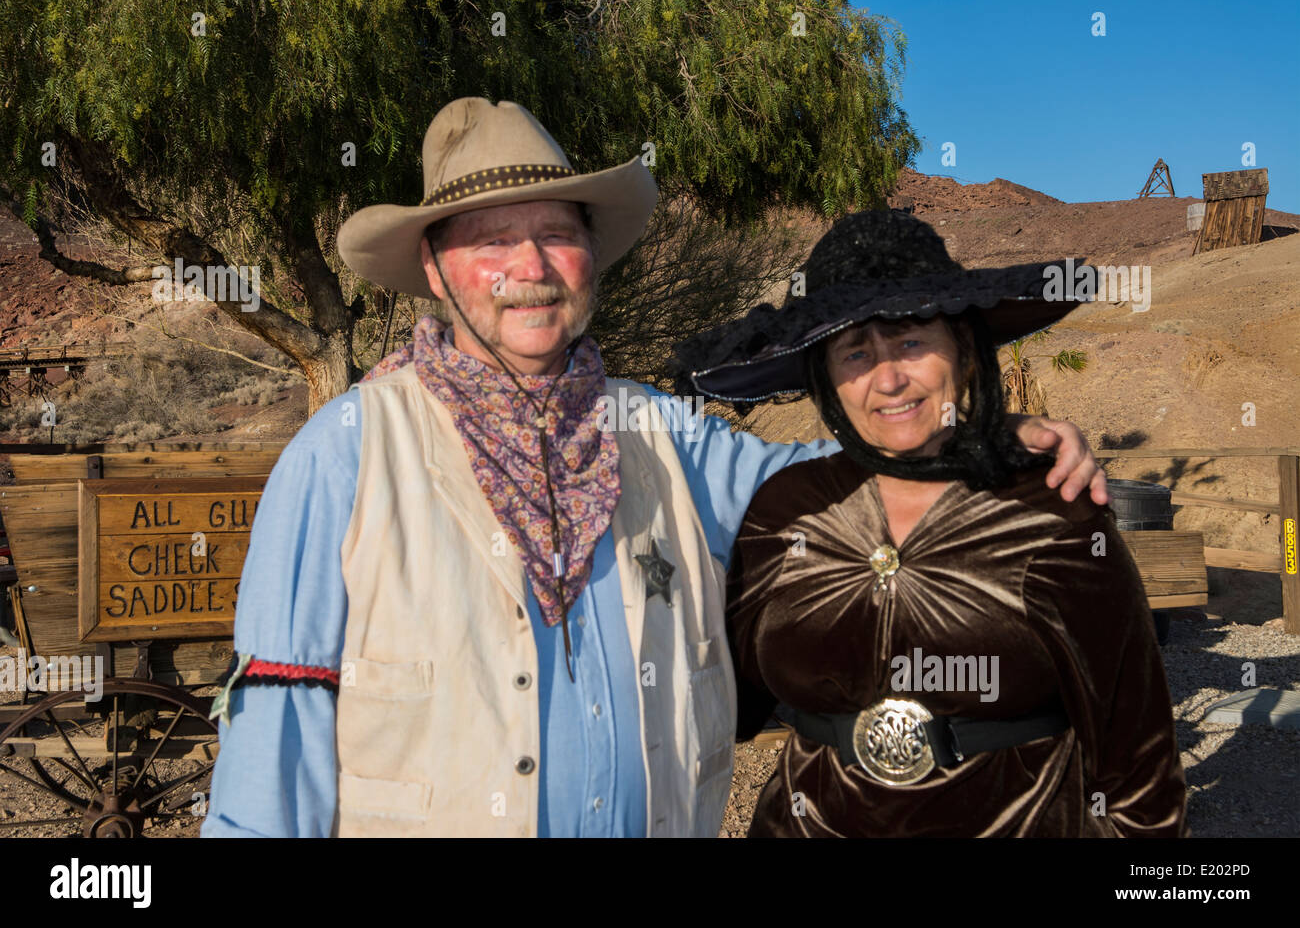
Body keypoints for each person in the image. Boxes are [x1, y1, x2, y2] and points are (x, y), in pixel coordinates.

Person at [201, 98, 1106, 838]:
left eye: (556, 234)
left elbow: (831, 484)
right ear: (435, 271)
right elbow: (271, 752)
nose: (530, 267)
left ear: (591, 257)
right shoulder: (349, 452)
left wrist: (980, 438)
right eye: (489, 240)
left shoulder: (658, 431)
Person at [674, 209, 1187, 837]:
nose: (888, 379)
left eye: (912, 340)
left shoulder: (1054, 506)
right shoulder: (784, 511)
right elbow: (723, 701)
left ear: (963, 351)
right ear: (826, 379)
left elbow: (1136, 756)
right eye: (855, 352)